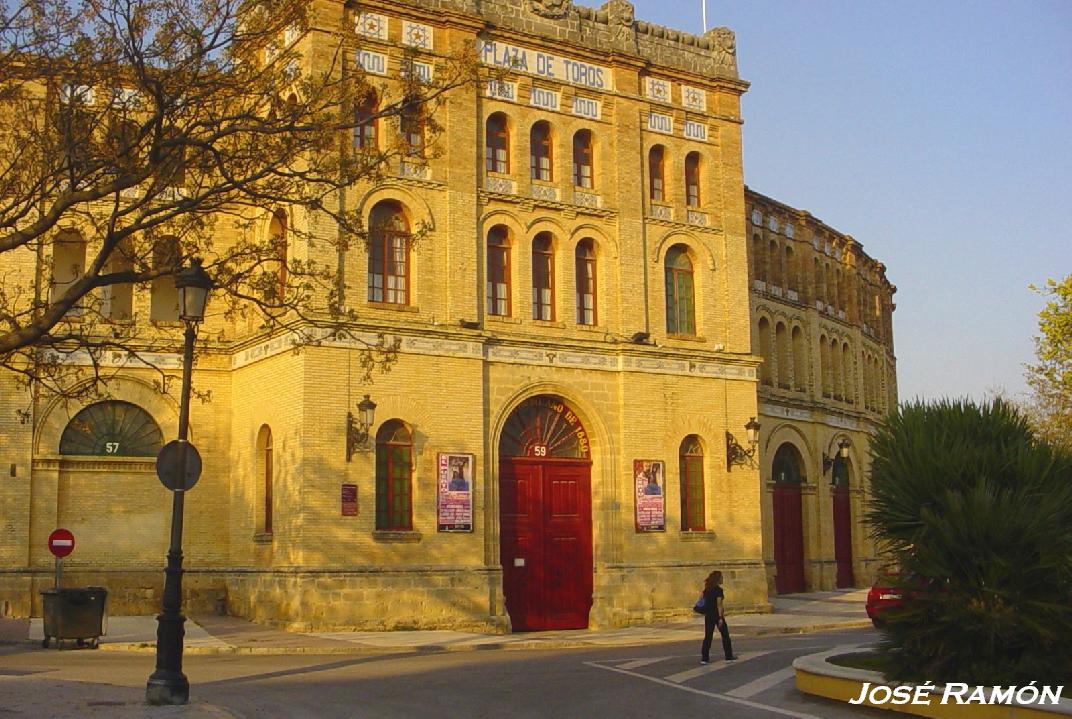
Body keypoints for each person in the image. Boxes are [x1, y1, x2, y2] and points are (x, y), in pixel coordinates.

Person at [699, 570, 736, 664]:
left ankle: (704, 658)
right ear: (717, 579)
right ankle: (728, 656)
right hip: (716, 615)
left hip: (708, 615)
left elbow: (702, 600)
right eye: (721, 577)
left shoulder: (706, 590)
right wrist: (720, 617)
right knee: (725, 635)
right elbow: (719, 604)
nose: (722, 579)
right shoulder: (718, 590)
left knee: (708, 636)